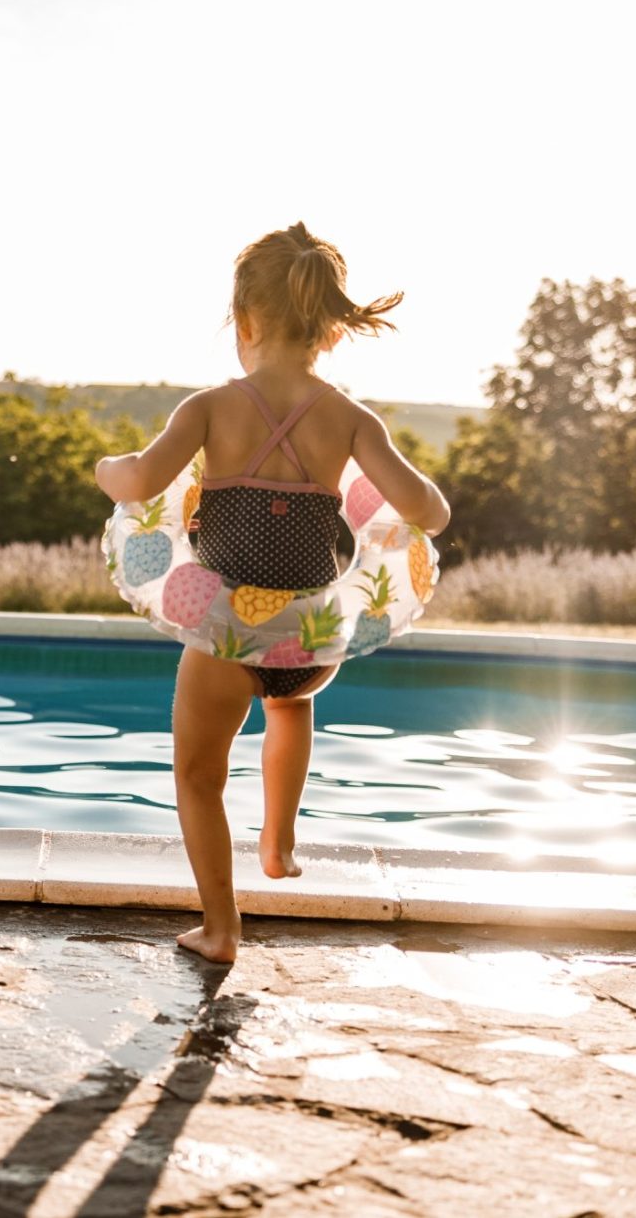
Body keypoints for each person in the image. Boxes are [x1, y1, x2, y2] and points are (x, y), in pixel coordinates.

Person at [95, 223, 450, 964]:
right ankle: (280, 840)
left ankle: (221, 929)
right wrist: (417, 502)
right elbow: (430, 513)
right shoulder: (352, 419)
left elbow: (139, 483)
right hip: (311, 640)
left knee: (197, 775)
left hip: (227, 633)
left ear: (246, 322)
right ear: (329, 333)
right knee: (290, 707)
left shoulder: (208, 408)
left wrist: (108, 467)